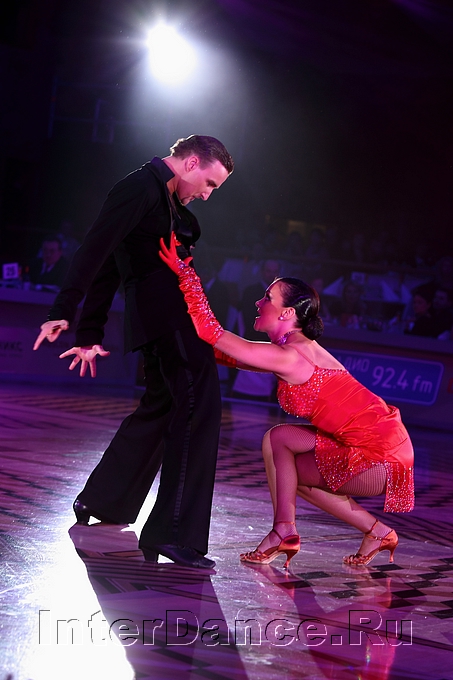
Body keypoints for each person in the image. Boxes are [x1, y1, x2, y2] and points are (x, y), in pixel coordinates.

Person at [33, 135, 234, 569]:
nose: (207, 194)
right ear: (191, 162)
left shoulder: (162, 195)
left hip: (169, 317)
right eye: (209, 183)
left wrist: (89, 332)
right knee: (199, 409)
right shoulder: (139, 187)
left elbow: (111, 263)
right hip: (169, 320)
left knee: (163, 407)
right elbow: (96, 251)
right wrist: (65, 311)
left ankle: (103, 500)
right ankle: (174, 534)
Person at [160, 234, 414, 568]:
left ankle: (284, 531)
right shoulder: (294, 349)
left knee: (288, 468)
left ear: (287, 313)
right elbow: (229, 355)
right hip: (382, 441)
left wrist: (185, 275)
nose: (258, 303)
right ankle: (370, 532)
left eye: (268, 298)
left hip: (381, 457)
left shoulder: (291, 356)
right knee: (281, 443)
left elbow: (212, 333)